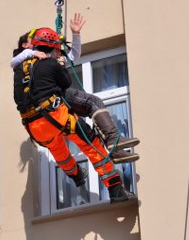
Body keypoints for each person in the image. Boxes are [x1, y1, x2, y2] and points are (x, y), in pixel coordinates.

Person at [13, 27, 134, 203]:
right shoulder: (51, 63)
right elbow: (65, 83)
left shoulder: (19, 69)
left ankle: (76, 175)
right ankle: (115, 188)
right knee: (92, 144)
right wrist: (60, 66)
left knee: (59, 149)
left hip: (34, 127)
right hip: (56, 116)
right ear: (52, 48)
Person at [11, 13, 140, 163]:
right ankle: (113, 141)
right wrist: (39, 54)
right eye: (30, 40)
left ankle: (113, 149)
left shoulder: (42, 59)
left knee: (88, 121)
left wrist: (75, 34)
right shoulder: (26, 58)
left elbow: (73, 56)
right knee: (93, 102)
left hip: (43, 107)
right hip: (52, 98)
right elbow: (16, 60)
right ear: (25, 46)